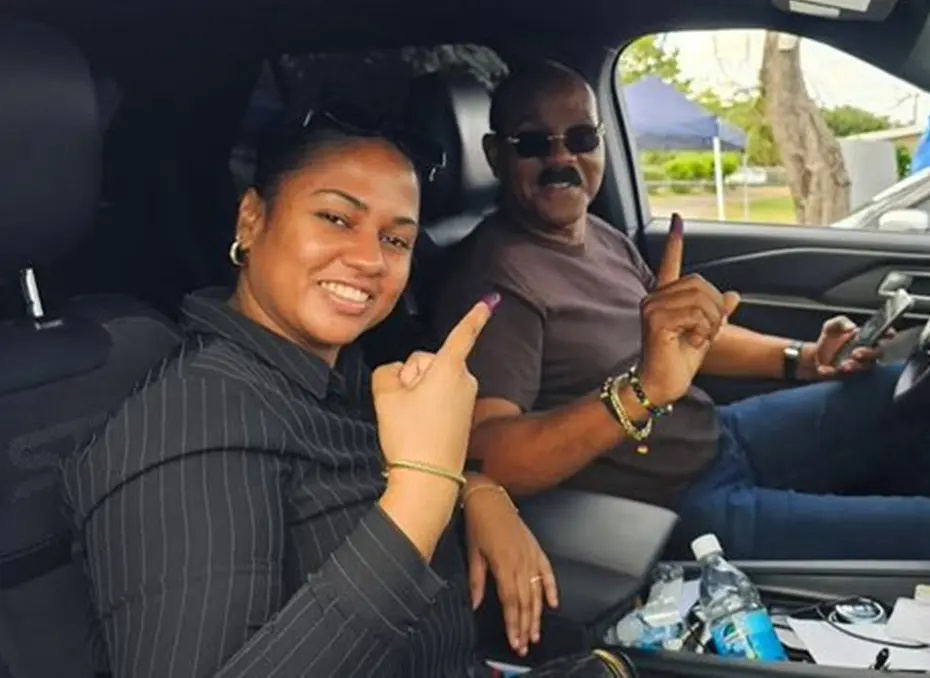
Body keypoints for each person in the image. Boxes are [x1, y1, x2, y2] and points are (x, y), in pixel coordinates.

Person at [61, 105, 559, 678]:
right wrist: (425, 488)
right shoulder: (188, 422)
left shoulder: (338, 378)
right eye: (336, 218)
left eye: (397, 241)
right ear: (251, 220)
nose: (371, 259)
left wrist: (473, 486)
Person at [434, 61, 930, 562]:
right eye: (533, 143)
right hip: (671, 505)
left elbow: (679, 343)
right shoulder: (494, 281)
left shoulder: (596, 234)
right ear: (494, 155)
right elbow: (489, 455)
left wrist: (804, 358)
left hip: (719, 435)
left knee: (917, 396)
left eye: (580, 138)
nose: (561, 160)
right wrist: (640, 393)